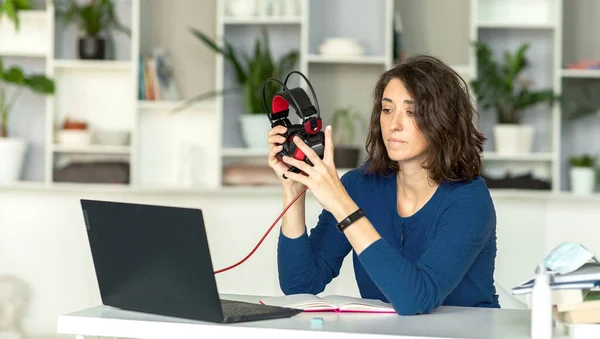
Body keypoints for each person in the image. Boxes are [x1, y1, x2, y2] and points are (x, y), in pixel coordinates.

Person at [266, 55, 500, 316]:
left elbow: (415, 299)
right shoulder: (360, 185)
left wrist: (341, 204)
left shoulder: (469, 199)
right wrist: (294, 191)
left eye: (411, 112)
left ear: (443, 120)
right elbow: (300, 285)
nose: (393, 125)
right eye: (387, 110)